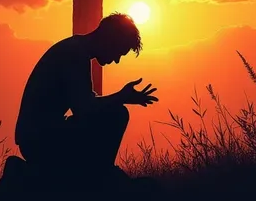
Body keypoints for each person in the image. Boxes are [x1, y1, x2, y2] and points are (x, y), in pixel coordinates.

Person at [13, 12, 158, 182]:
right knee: (116, 115)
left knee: (111, 112)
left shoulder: (75, 50)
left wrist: (119, 98)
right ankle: (101, 175)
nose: (117, 60)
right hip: (39, 142)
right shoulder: (74, 54)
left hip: (41, 136)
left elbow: (85, 104)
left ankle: (99, 173)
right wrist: (120, 97)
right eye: (119, 52)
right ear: (109, 40)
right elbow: (84, 109)